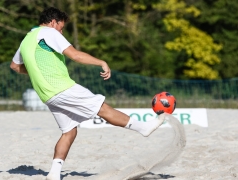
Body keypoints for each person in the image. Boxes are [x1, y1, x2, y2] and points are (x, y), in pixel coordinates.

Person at [10, 7, 165, 180]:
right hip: (60, 87)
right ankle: (143, 128)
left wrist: (35, 70)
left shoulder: (26, 39)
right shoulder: (49, 33)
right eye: (61, 28)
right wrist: (102, 62)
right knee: (102, 108)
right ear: (53, 22)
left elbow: (15, 66)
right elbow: (75, 56)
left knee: (69, 131)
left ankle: (54, 173)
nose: (61, 32)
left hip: (47, 95)